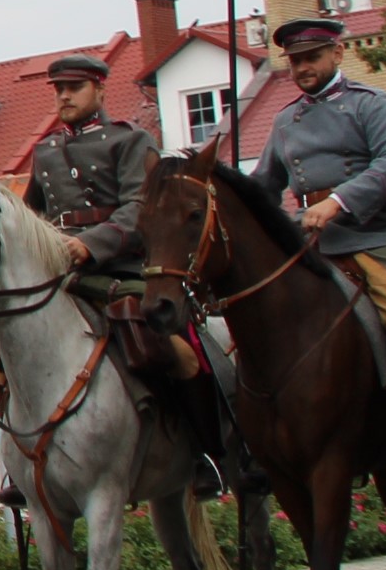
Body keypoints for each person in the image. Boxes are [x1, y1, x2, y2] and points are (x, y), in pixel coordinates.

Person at [26, 53, 235, 486]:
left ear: (100, 89)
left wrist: (90, 244)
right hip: (63, 274)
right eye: (58, 88)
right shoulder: (45, 150)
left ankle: (206, 452)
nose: (64, 95)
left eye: (74, 87)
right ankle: (22, 462)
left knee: (169, 345)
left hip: (124, 269)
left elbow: (140, 208)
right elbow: (34, 214)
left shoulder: (129, 141)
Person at [249, 16, 386, 485]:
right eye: (295, 61)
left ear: (337, 55)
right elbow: (264, 187)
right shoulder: (284, 120)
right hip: (312, 243)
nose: (302, 67)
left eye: (311, 57)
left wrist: (338, 202)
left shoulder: (371, 104)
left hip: (374, 237)